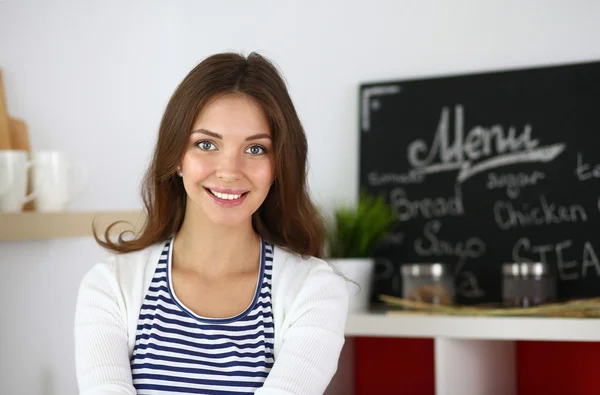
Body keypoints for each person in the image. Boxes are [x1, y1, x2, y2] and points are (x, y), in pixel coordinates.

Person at [73, 51, 349, 395]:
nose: (230, 170)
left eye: (256, 149)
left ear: (279, 165)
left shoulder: (315, 291)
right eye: (206, 144)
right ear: (176, 156)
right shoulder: (111, 286)